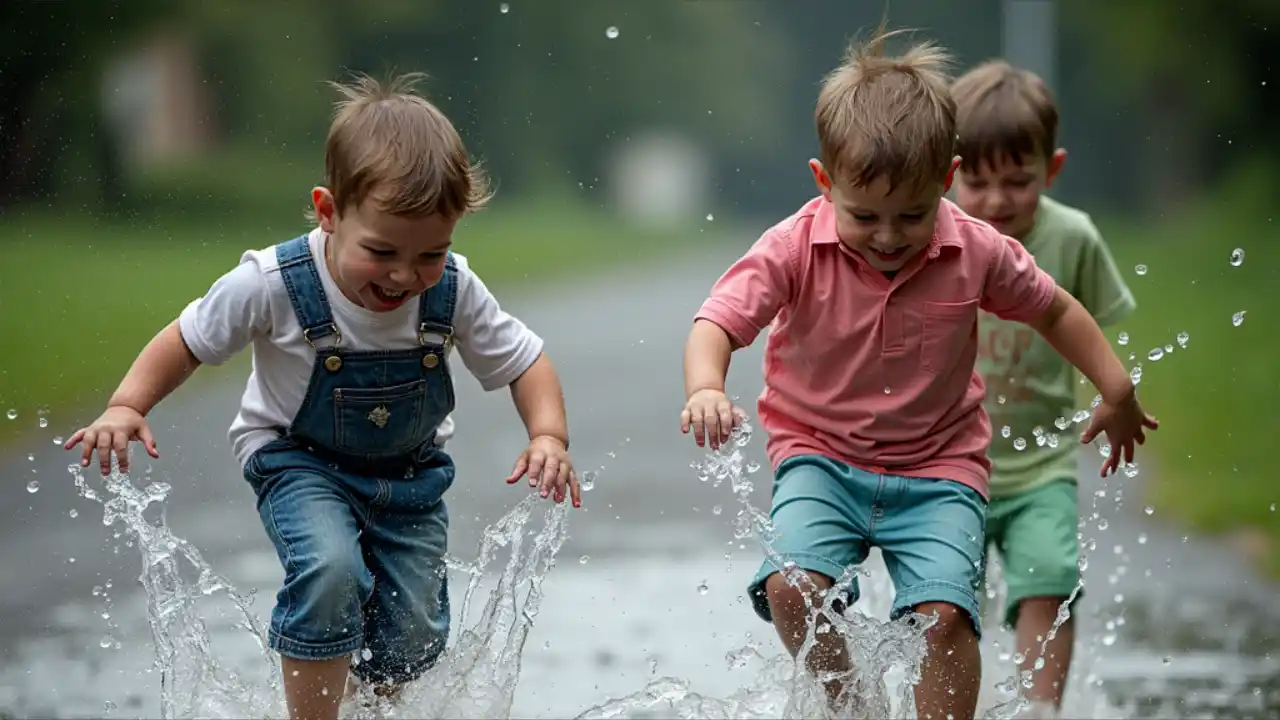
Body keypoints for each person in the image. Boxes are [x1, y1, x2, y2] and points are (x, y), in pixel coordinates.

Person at [63, 72, 581, 720]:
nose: (404, 275)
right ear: (329, 211)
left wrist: (548, 436)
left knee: (414, 626)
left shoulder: (453, 288)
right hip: (296, 460)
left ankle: (374, 707)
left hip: (408, 476)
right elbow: (188, 338)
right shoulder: (273, 281)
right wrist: (127, 405)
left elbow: (525, 361)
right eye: (382, 250)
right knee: (331, 570)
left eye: (431, 254)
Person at [678, 28, 1157, 720]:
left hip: (939, 472)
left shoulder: (975, 248)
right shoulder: (792, 246)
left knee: (943, 618)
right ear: (825, 181)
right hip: (820, 458)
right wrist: (706, 386)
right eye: (864, 214)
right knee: (790, 587)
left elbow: (1055, 310)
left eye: (913, 214)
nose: (889, 235)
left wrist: (1117, 390)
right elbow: (717, 321)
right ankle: (854, 706)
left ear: (946, 179)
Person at [950, 59, 1136, 716]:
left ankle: (1040, 710)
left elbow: (1097, 333)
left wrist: (1119, 396)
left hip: (1042, 465)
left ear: (1051, 169)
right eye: (977, 182)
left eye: (1017, 181)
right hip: (949, 465)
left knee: (1049, 584)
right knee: (945, 605)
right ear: (949, 174)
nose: (996, 201)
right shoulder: (937, 240)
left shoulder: (1072, 238)